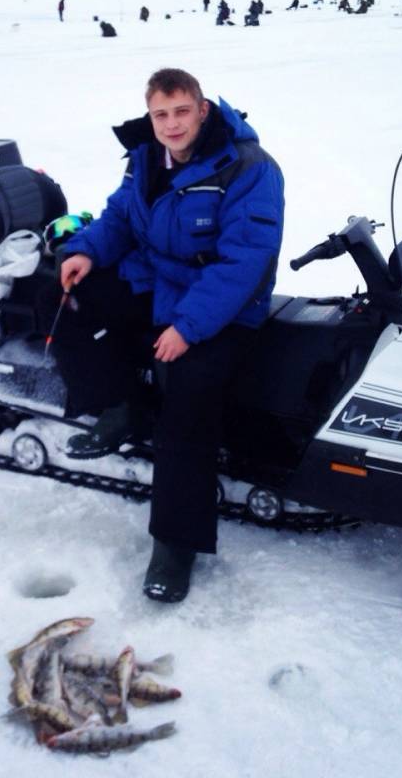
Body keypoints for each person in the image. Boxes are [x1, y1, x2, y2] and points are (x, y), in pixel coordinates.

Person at [53, 69, 284, 603]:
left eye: (182, 111)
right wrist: (84, 251)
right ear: (151, 115)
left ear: (202, 110)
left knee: (186, 390)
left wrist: (187, 327)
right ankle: (122, 406)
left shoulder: (248, 168)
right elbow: (118, 218)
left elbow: (244, 261)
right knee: (71, 300)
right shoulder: (145, 159)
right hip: (158, 281)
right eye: (161, 114)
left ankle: (176, 545)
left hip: (221, 304)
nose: (171, 124)